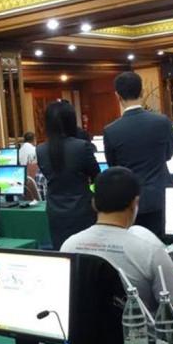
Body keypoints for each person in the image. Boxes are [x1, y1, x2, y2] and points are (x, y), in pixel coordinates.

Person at [61, 167, 173, 344]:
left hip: (89, 343)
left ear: (94, 203)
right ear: (134, 203)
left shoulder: (68, 245)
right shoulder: (148, 249)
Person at [103, 72, 173, 237]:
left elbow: (113, 166)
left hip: (129, 200)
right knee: (164, 245)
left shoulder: (111, 130)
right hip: (161, 195)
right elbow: (168, 154)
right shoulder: (162, 122)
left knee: (134, 246)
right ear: (142, 92)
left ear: (117, 96)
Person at [37, 101, 100, 249]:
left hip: (55, 209)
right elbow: (97, 176)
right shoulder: (81, 146)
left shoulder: (40, 150)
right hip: (81, 208)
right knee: (85, 252)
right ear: (71, 121)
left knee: (63, 250)